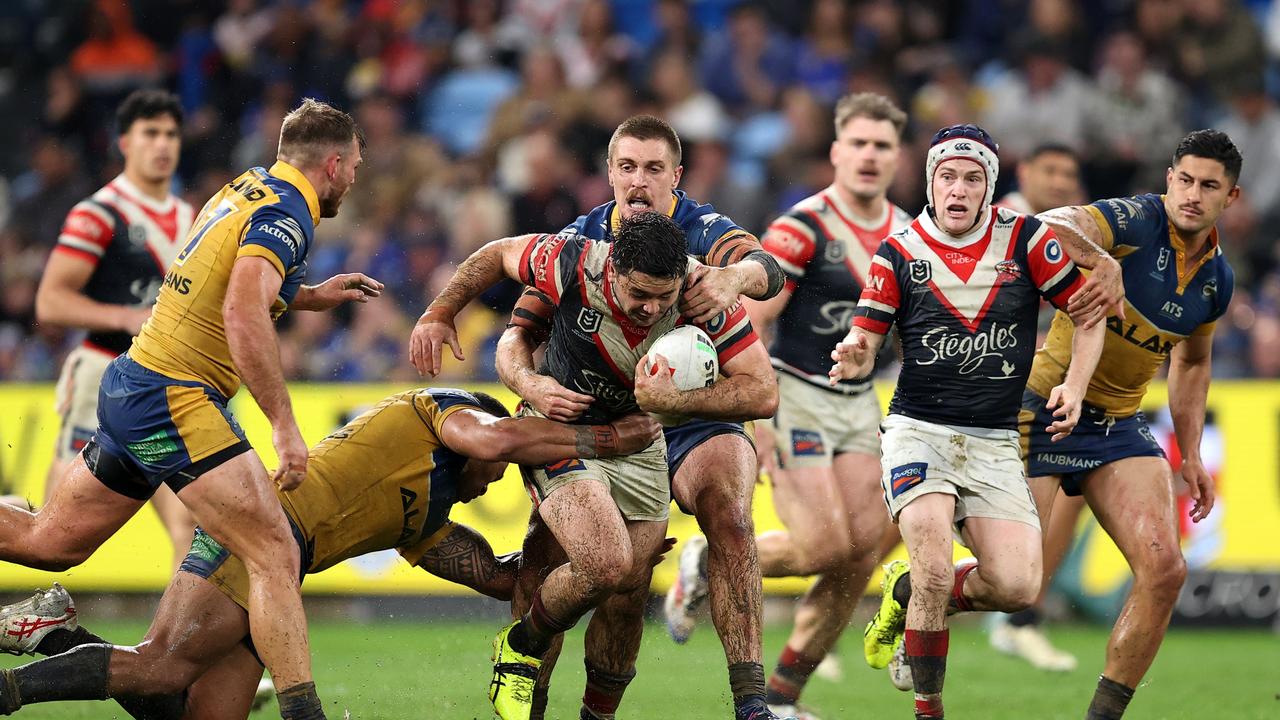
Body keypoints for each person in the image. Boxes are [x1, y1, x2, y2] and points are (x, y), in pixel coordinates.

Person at [0, 98, 379, 720]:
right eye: (356, 166)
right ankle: (302, 712)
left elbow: (223, 280)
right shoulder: (291, 211)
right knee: (274, 551)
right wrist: (285, 426)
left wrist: (306, 297)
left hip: (136, 382)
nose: (355, 178)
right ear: (334, 164)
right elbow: (241, 311)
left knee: (51, 542)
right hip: (174, 393)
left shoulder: (246, 187)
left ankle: (66, 638)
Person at [0, 388, 663, 718]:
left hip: (277, 575)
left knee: (193, 710)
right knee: (162, 669)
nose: (492, 483)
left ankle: (59, 636)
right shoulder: (435, 415)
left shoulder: (428, 514)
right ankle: (11, 690)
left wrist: (601, 562)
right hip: (259, 535)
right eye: (495, 471)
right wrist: (599, 440)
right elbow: (491, 443)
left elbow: (494, 577)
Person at [409, 211, 778, 720]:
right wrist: (440, 312)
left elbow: (763, 391)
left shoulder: (701, 294)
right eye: (638, 296)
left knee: (628, 589)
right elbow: (495, 254)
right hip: (562, 431)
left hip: (640, 441)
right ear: (615, 271)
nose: (651, 309)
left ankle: (595, 714)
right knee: (604, 561)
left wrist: (680, 397)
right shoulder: (573, 260)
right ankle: (521, 644)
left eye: (662, 298)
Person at [492, 116, 790, 720]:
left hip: (693, 409)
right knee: (588, 571)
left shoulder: (701, 232)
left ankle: (751, 701)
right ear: (609, 174)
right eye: (627, 167)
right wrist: (532, 384)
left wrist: (731, 277)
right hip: (606, 410)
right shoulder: (580, 245)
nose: (639, 181)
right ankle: (530, 693)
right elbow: (516, 336)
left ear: (676, 177)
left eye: (654, 169)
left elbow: (770, 272)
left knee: (731, 516)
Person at [833, 124, 1111, 720]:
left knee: (1016, 588)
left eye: (972, 177)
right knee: (936, 566)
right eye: (947, 176)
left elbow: (1091, 314)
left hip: (993, 440)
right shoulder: (900, 251)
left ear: (990, 187)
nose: (958, 189)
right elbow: (865, 334)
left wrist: (1076, 385)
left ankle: (903, 592)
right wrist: (855, 352)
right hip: (918, 432)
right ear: (930, 183)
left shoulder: (1027, 241)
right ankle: (929, 708)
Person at [680, 92, 911, 720]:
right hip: (797, 394)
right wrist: (754, 420)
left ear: (898, 156)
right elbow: (750, 322)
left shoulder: (911, 234)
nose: (869, 155)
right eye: (858, 143)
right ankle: (702, 558)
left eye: (881, 145)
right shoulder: (802, 227)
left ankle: (783, 699)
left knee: (861, 552)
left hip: (860, 401)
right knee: (818, 546)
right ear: (836, 151)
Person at [1021, 129, 1239, 719]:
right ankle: (908, 590)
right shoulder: (1135, 221)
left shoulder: (1218, 281)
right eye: (1185, 180)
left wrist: (1189, 453)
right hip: (1043, 405)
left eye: (1209, 186)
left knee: (1165, 569)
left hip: (1116, 422)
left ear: (1231, 198)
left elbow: (1191, 364)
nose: (1193, 195)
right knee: (1013, 582)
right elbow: (1043, 224)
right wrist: (1096, 258)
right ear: (1169, 178)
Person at [34, 88, 197, 571]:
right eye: (150, 133)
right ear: (125, 141)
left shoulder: (192, 218)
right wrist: (125, 317)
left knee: (191, 522)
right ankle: (38, 611)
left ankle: (176, 646)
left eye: (170, 133)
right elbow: (51, 300)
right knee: (55, 531)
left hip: (167, 384)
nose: (162, 144)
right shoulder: (98, 213)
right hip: (102, 375)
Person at [986, 142, 1089, 672]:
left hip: (1051, 387)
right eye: (1049, 168)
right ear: (1024, 172)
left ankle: (1019, 618)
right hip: (999, 387)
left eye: (1069, 172)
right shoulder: (1002, 225)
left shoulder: (1076, 231)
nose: (1060, 180)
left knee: (1066, 502)